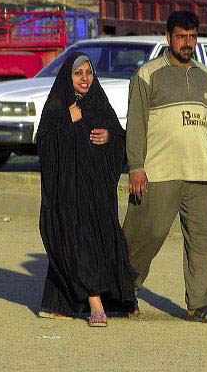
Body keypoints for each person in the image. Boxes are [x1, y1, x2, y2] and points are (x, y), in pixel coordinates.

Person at [122, 11, 207, 324]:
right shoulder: (148, 74)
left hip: (201, 175)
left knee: (202, 239)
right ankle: (123, 289)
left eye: (192, 37)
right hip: (159, 172)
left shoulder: (205, 75)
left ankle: (199, 305)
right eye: (181, 37)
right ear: (168, 37)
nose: (187, 43)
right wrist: (136, 168)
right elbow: (136, 125)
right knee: (147, 234)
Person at [36, 52, 137, 327]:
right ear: (68, 77)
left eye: (88, 72)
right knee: (79, 238)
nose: (84, 78)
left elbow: (120, 137)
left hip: (98, 192)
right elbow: (43, 144)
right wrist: (66, 121)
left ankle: (62, 302)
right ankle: (94, 304)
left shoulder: (99, 104)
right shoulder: (58, 105)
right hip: (69, 192)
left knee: (100, 237)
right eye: (78, 73)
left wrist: (110, 137)